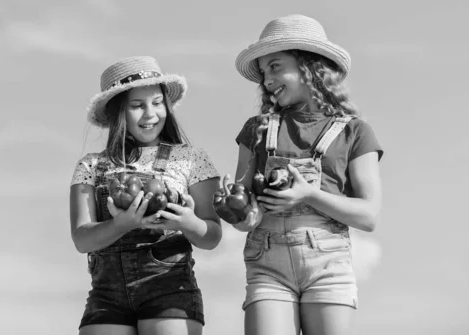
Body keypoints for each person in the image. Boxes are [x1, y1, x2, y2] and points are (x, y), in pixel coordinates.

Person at [230, 14, 384, 335]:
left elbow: (368, 215)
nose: (267, 79)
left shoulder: (355, 133)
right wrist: (238, 211)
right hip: (267, 261)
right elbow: (244, 206)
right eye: (262, 72)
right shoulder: (256, 130)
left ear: (308, 66)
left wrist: (309, 194)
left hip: (327, 264)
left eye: (274, 66)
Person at [69, 56, 222, 335]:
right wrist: (121, 224)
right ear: (118, 113)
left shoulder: (192, 159)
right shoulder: (90, 166)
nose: (150, 114)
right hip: (106, 295)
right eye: (137, 106)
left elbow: (211, 236)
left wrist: (187, 222)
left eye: (157, 102)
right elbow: (81, 238)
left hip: (170, 288)